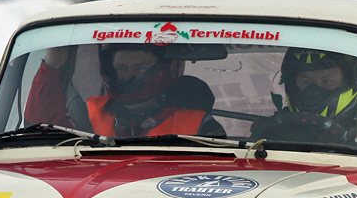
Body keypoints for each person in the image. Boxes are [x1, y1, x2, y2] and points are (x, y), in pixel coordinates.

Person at [25, 43, 224, 138]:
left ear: (162, 69)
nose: (129, 75)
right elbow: (41, 130)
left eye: (140, 67)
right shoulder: (91, 112)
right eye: (121, 68)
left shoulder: (198, 124)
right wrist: (52, 66)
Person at [251, 48, 357, 146]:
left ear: (354, 83)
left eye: (327, 81)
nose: (312, 92)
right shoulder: (275, 127)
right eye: (306, 81)